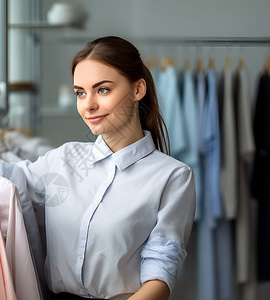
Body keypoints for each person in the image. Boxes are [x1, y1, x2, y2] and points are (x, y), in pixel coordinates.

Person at [14, 36, 196, 300]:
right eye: (80, 92)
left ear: (138, 90)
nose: (88, 105)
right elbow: (4, 183)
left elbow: (160, 275)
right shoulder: (62, 159)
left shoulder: (172, 177)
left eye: (102, 90)